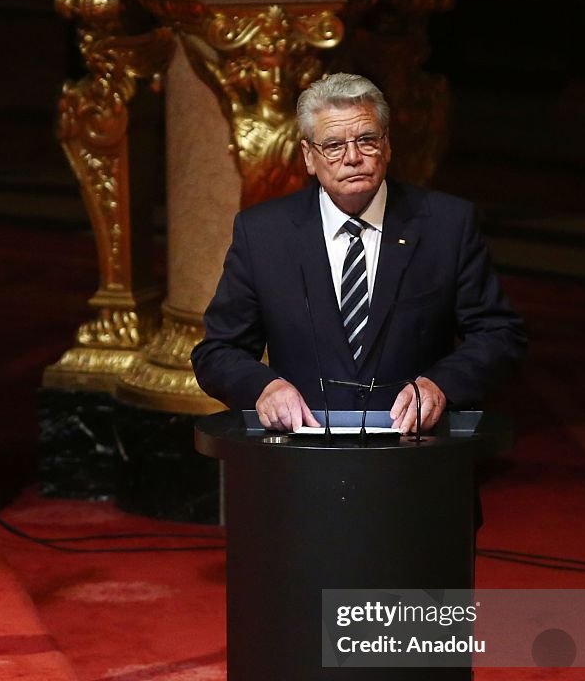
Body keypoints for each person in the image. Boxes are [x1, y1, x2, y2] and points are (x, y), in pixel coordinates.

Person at [191, 72, 526, 432]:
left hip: (415, 454)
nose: (352, 157)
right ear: (308, 156)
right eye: (333, 145)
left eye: (366, 140)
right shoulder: (263, 234)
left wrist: (441, 385)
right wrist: (264, 388)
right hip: (303, 459)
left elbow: (500, 335)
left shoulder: (447, 225)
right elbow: (217, 352)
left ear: (387, 146)